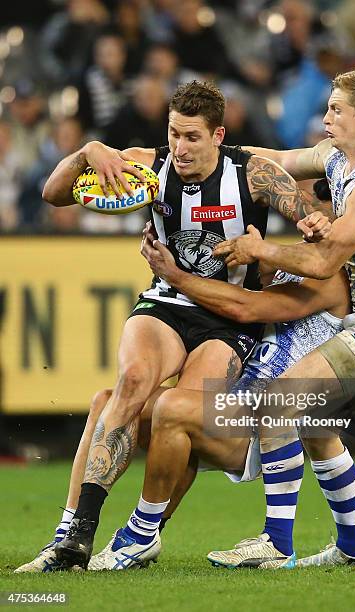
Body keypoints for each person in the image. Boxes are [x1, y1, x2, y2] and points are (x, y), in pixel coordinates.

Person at [40, 80, 329, 571]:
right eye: (174, 134)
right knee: (130, 385)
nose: (180, 147)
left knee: (179, 418)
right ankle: (75, 536)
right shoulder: (145, 165)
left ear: (218, 135)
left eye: (192, 137)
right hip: (165, 304)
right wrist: (90, 152)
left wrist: (313, 228)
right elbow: (53, 192)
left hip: (226, 317)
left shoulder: (256, 176)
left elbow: (315, 232)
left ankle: (140, 536)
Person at [16, 182, 355, 572]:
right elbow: (241, 267)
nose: (309, 210)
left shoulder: (329, 279)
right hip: (233, 404)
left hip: (259, 427)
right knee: (107, 401)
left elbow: (246, 307)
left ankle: (139, 535)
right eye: (309, 202)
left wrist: (175, 273)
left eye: (320, 204)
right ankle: (66, 538)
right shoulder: (293, 261)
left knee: (173, 406)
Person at [204, 65, 355, 568]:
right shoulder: (337, 155)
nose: (325, 115)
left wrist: (259, 248)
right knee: (315, 426)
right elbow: (282, 160)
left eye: (336, 109)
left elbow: (325, 263)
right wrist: (214, 156)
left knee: (279, 402)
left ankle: (276, 543)